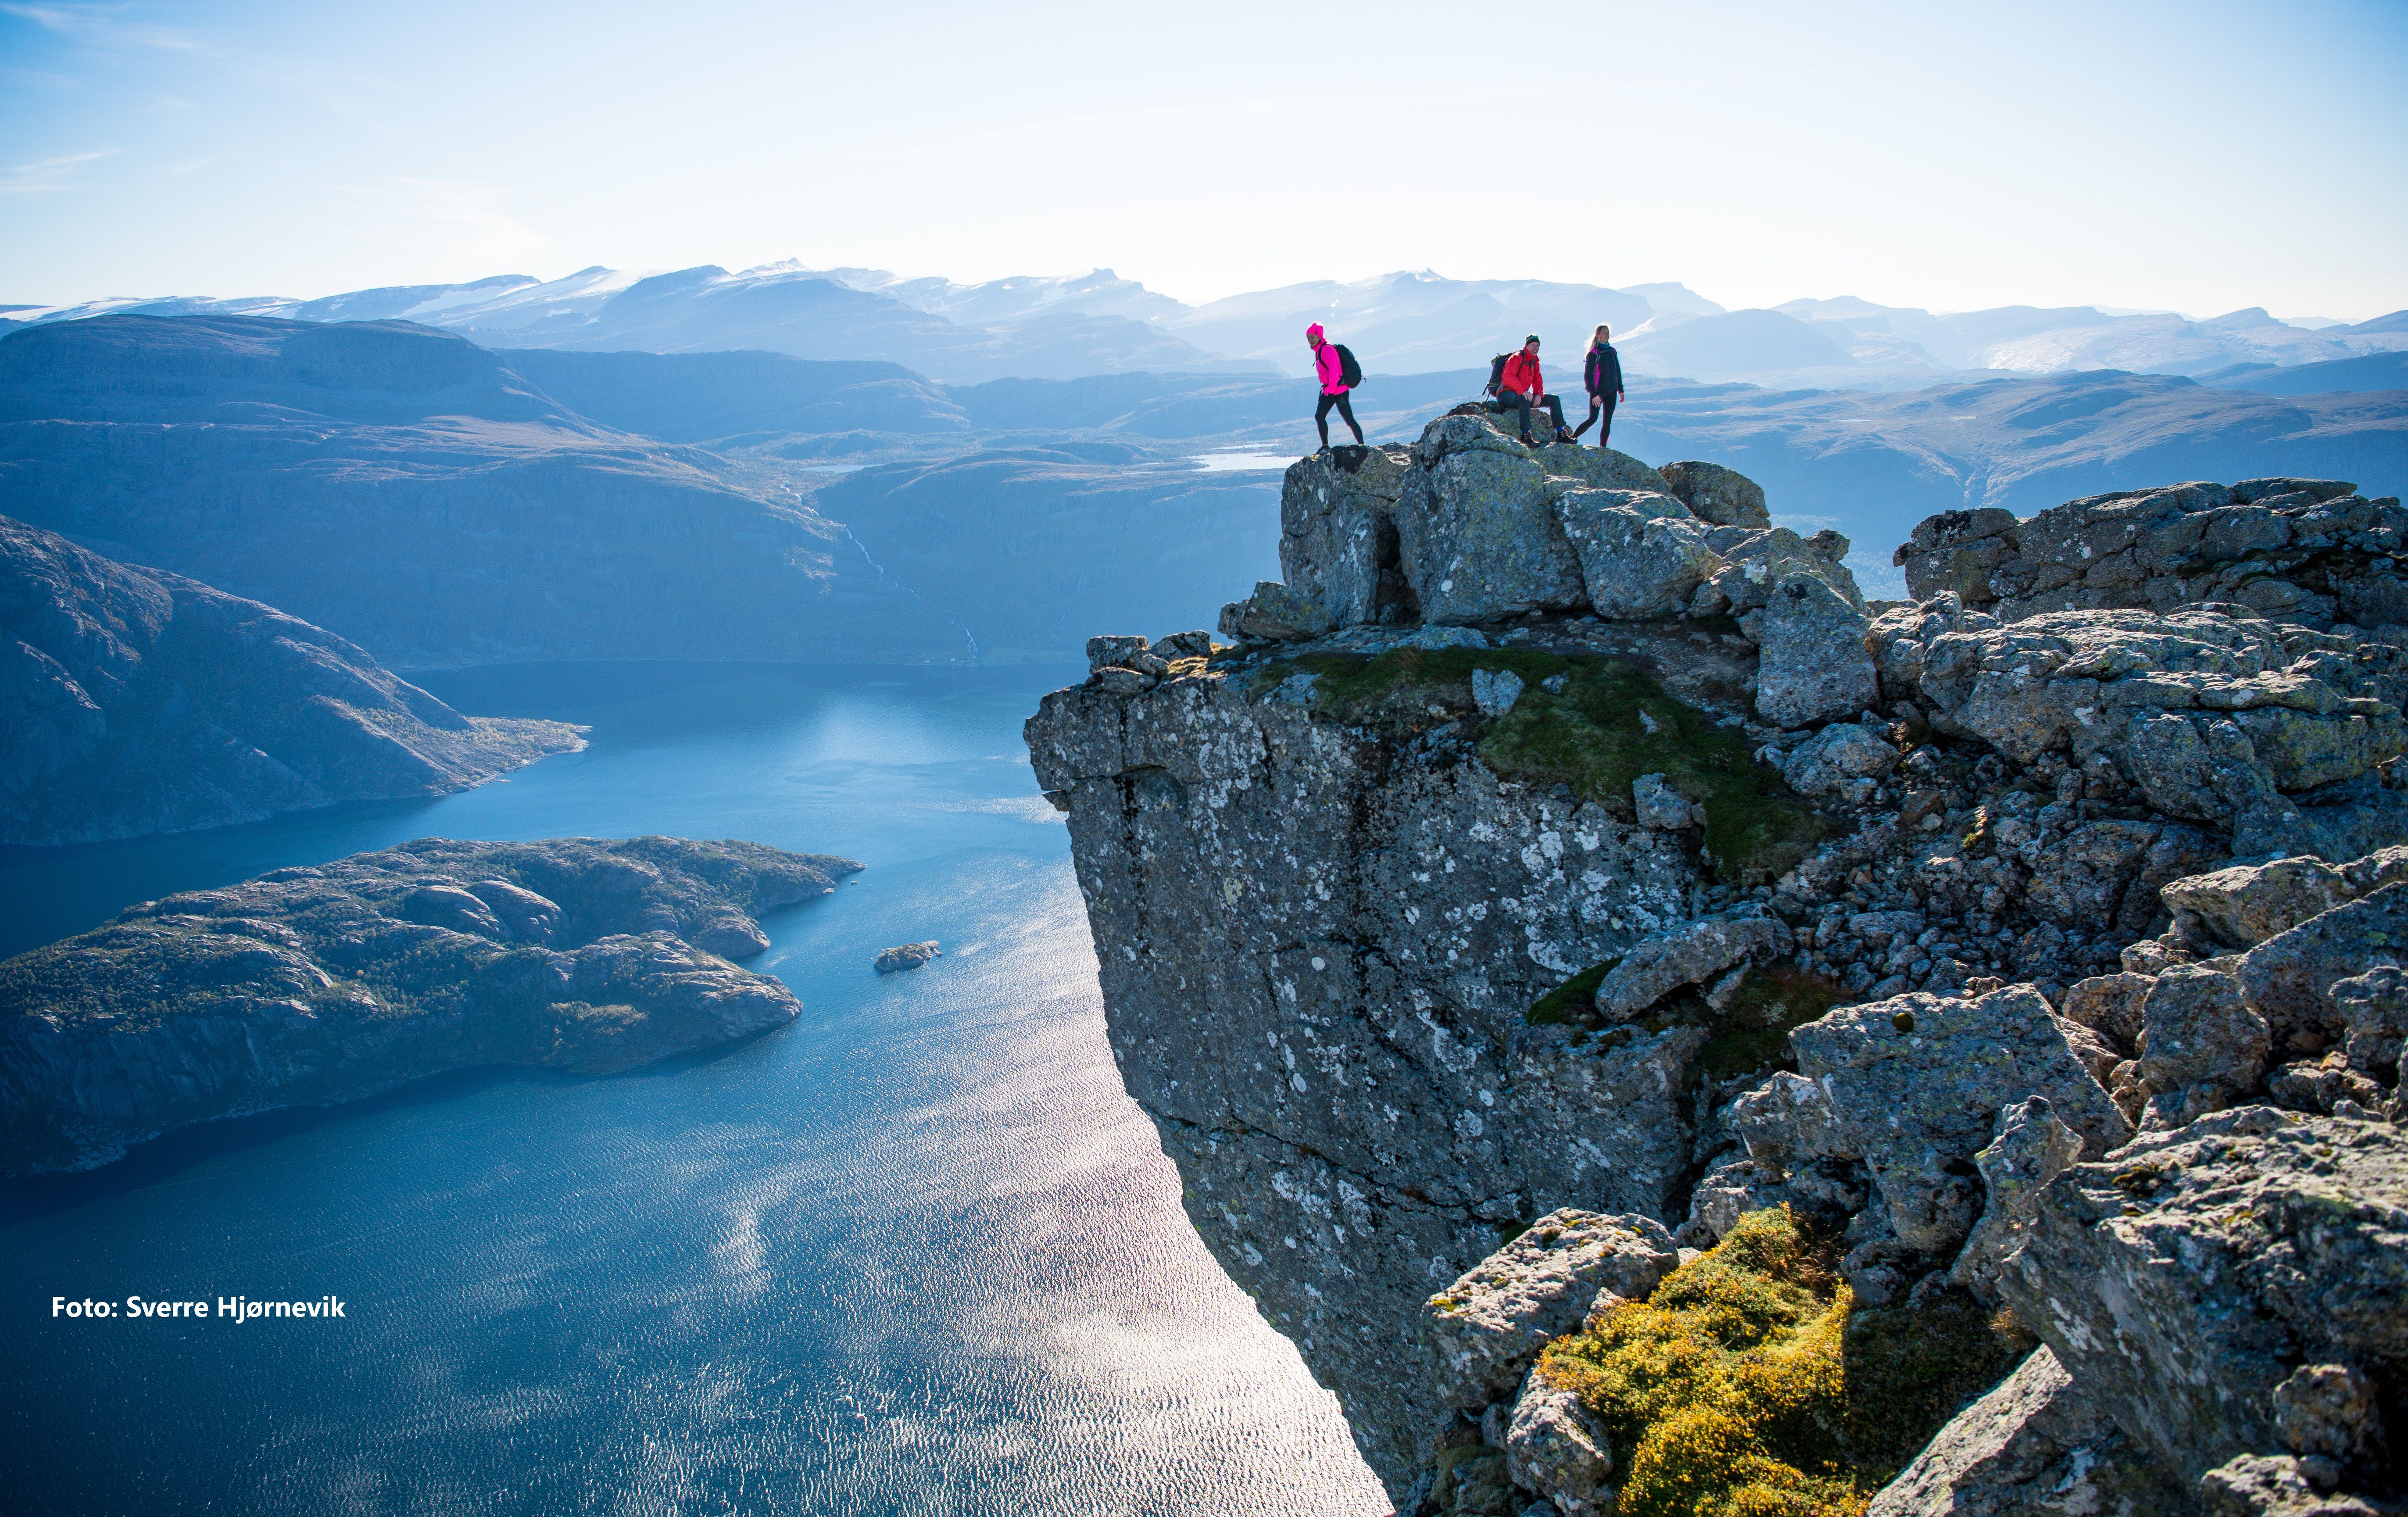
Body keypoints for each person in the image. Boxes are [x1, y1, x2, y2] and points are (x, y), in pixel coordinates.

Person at [1493, 334, 1571, 446]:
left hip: (1521, 395)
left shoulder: (1534, 362)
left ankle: (1561, 434)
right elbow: (1508, 377)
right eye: (1533, 345)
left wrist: (1539, 395)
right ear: (1527, 346)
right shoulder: (1516, 358)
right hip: (1505, 394)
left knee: (1554, 400)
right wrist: (1523, 391)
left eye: (1538, 346)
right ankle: (1526, 435)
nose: (1536, 348)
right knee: (1524, 400)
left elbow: (1538, 381)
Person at [1306, 323, 1363, 449]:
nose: (1310, 341)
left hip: (1338, 390)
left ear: (1319, 337)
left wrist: (1330, 390)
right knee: (1319, 417)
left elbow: (1334, 371)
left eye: (1313, 337)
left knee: (1349, 420)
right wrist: (1328, 390)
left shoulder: (1327, 350)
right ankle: (1325, 447)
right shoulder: (1319, 352)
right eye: (1308, 338)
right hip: (1329, 390)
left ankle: (1362, 446)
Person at [1572, 324, 1625, 448]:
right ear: (1598, 335)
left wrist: (1620, 390)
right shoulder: (1594, 354)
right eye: (1604, 333)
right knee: (1593, 419)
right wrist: (1594, 394)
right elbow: (1588, 377)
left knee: (1607, 422)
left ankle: (1603, 448)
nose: (1607, 335)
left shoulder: (1612, 351)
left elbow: (1617, 371)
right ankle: (1572, 438)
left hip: (1612, 392)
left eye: (1608, 333)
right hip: (1599, 393)